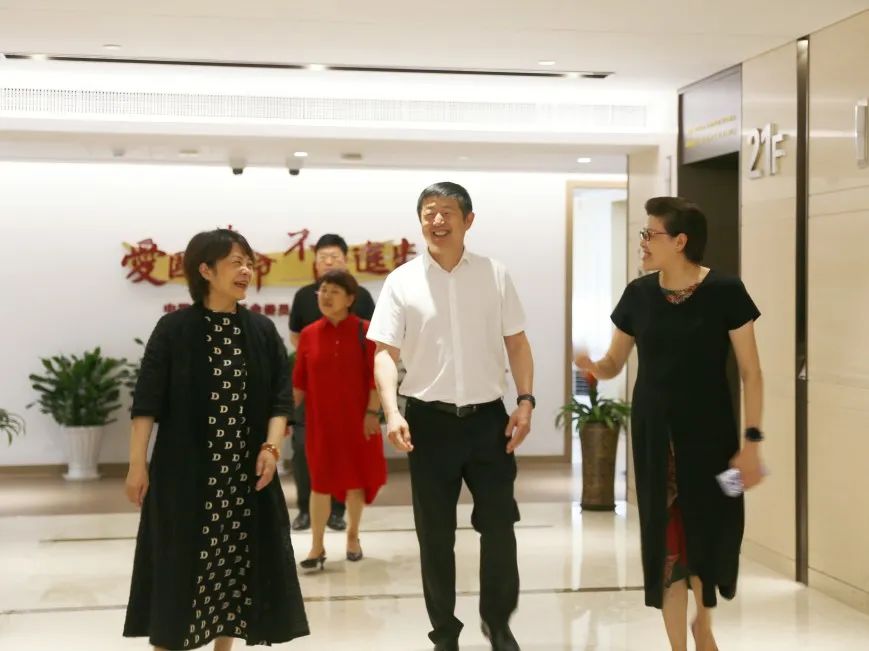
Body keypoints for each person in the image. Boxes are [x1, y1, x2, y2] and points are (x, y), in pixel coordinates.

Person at [575, 197, 765, 651]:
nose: (642, 242)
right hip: (654, 436)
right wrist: (594, 367)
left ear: (680, 241)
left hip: (714, 437)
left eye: (650, 234)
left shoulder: (726, 291)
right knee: (665, 540)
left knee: (715, 529)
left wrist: (752, 443)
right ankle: (680, 645)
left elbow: (751, 373)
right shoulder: (638, 295)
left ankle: (705, 623)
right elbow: (615, 361)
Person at [123, 229, 309, 651]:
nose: (246, 271)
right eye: (235, 263)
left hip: (244, 479)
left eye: (249, 263)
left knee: (234, 572)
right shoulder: (174, 329)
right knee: (178, 572)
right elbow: (146, 402)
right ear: (205, 271)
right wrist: (137, 464)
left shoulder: (261, 330)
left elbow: (280, 399)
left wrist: (271, 447)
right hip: (184, 477)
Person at [368, 182, 534, 651]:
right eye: (429, 212)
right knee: (435, 535)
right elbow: (384, 353)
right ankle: (444, 632)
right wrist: (391, 412)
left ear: (468, 220)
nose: (437, 220)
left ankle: (498, 623)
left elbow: (517, 342)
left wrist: (525, 400)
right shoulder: (402, 280)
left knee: (499, 526)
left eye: (447, 211)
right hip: (429, 422)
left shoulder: (494, 274)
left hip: (488, 421)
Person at [292, 269, 386, 568]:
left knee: (355, 481)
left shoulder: (365, 331)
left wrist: (371, 413)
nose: (326, 296)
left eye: (334, 291)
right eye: (322, 290)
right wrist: (283, 419)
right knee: (319, 483)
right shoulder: (309, 335)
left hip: (358, 422)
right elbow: (298, 382)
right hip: (321, 425)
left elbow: (375, 378)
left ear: (350, 299)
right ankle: (316, 547)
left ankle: (352, 536)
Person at [288, 233, 376, 532]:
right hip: (313, 389)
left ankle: (338, 512)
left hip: (351, 393)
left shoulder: (361, 296)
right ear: (315, 264)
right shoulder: (303, 295)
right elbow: (297, 336)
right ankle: (305, 510)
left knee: (345, 453)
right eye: (323, 258)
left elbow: (374, 338)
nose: (329, 262)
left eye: (335, 257)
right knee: (303, 448)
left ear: (346, 261)